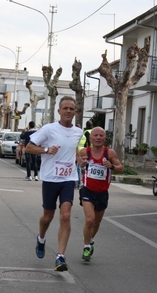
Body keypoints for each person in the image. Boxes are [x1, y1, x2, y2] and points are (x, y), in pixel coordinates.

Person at [25, 96, 84, 272]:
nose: (68, 111)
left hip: (68, 179)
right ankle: (41, 238)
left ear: (75, 112)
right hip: (50, 179)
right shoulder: (49, 129)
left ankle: (60, 257)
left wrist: (80, 159)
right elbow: (29, 147)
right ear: (59, 111)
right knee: (48, 216)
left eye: (71, 109)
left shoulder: (78, 132)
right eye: (65, 108)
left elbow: (74, 149)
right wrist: (46, 150)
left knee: (65, 215)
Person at [79, 127, 123, 262]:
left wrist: (112, 166)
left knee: (97, 222)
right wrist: (81, 163)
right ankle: (86, 247)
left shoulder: (109, 153)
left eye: (101, 135)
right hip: (87, 191)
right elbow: (78, 164)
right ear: (91, 138)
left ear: (105, 138)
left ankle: (91, 240)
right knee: (90, 219)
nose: (98, 138)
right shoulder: (84, 152)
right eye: (95, 135)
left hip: (102, 193)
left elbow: (121, 169)